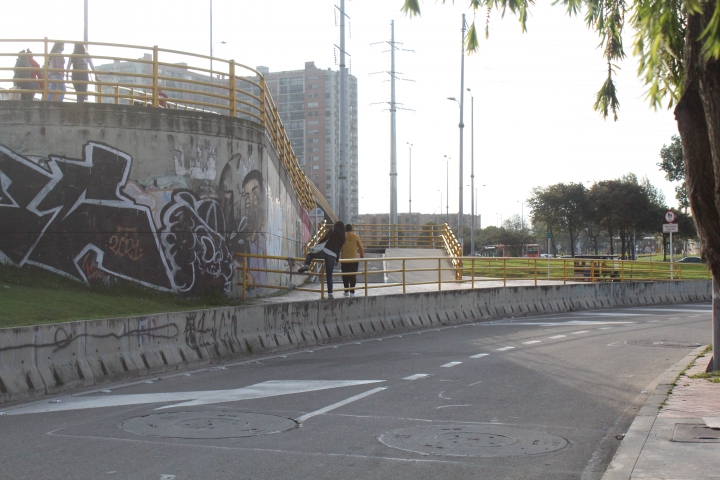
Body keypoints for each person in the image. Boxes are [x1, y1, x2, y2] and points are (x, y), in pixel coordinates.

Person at [298, 221, 346, 298]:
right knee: (329, 275)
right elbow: (339, 250)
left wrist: (318, 245)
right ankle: (330, 294)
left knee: (310, 254)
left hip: (325, 251)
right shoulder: (343, 238)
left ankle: (307, 265)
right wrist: (337, 260)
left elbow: (325, 238)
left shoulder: (333, 230)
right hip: (333, 256)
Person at [340, 224, 364, 296]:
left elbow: (340, 248)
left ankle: (346, 291)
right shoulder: (356, 237)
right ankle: (352, 292)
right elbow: (361, 247)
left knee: (345, 275)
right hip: (354, 259)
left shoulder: (342, 237)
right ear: (352, 229)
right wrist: (361, 254)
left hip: (344, 260)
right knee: (353, 276)